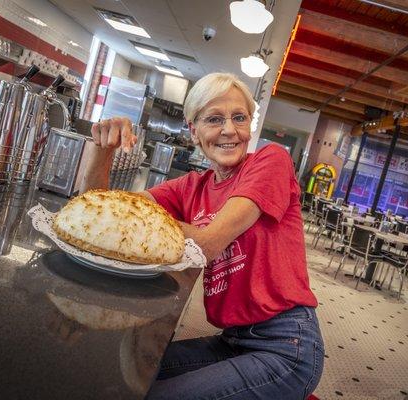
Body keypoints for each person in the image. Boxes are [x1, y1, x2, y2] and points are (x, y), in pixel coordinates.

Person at [80, 72, 323, 400]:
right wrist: (103, 150)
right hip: (232, 340)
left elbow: (208, 243)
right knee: (120, 378)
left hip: (286, 346)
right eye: (214, 119)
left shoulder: (271, 161)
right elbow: (96, 216)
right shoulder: (191, 187)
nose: (228, 129)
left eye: (239, 117)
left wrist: (134, 224)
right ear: (193, 131)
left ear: (250, 126)